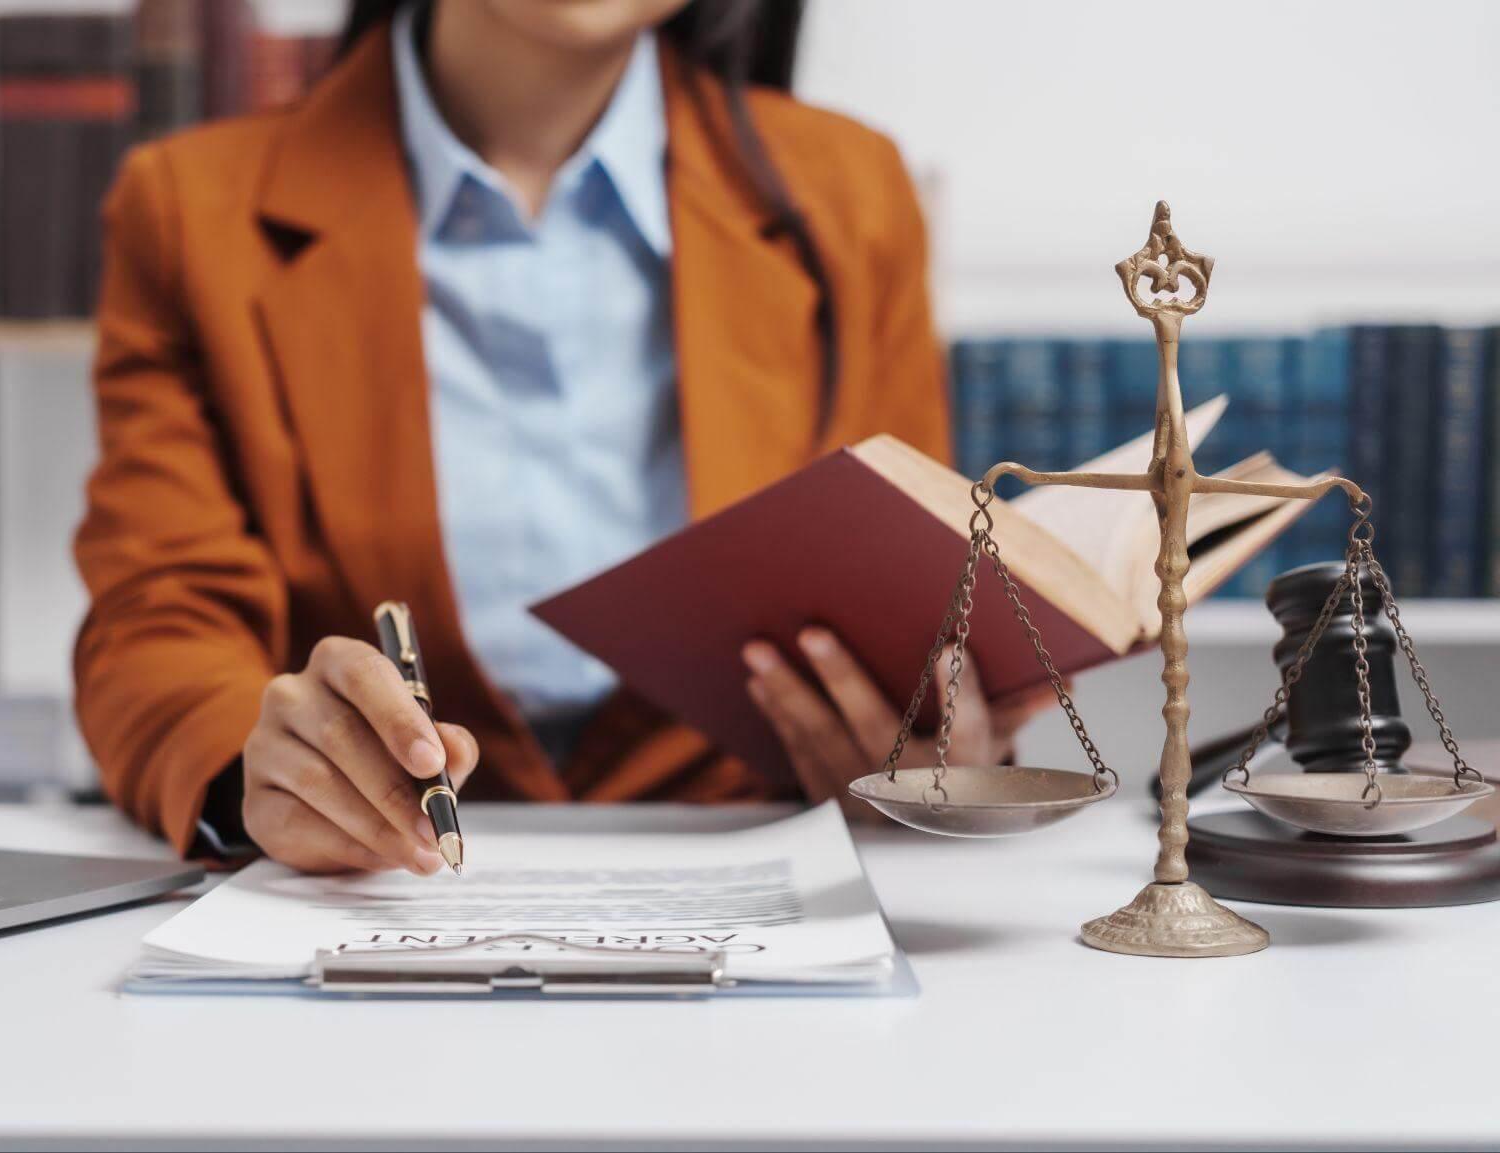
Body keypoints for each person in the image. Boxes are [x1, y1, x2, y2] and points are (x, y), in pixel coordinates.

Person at [74, 0, 1046, 874]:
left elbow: (907, 600)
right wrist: (254, 768)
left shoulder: (847, 192)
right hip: (377, 896)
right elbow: (157, 621)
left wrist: (928, 751)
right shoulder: (190, 210)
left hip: (758, 881)